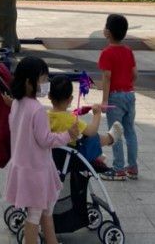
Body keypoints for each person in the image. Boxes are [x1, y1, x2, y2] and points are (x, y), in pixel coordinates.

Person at [5, 56, 80, 244]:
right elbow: (45, 140)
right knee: (36, 214)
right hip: (36, 170)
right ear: (30, 82)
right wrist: (67, 135)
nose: (46, 84)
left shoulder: (16, 103)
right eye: (43, 79)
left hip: (24, 166)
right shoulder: (36, 109)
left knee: (46, 208)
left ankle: (52, 241)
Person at [47, 74, 123, 173]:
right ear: (70, 99)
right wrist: (97, 114)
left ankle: (98, 155)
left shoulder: (46, 115)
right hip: (71, 159)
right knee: (91, 137)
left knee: (82, 137)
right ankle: (109, 139)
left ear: (49, 96)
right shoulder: (69, 119)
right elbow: (92, 131)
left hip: (53, 158)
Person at [98, 12, 138, 180]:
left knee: (116, 132)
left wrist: (105, 100)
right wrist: (129, 86)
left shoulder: (107, 53)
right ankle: (133, 167)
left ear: (108, 32)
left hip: (115, 97)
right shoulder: (128, 51)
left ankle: (118, 168)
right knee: (130, 132)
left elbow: (107, 77)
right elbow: (134, 73)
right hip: (129, 94)